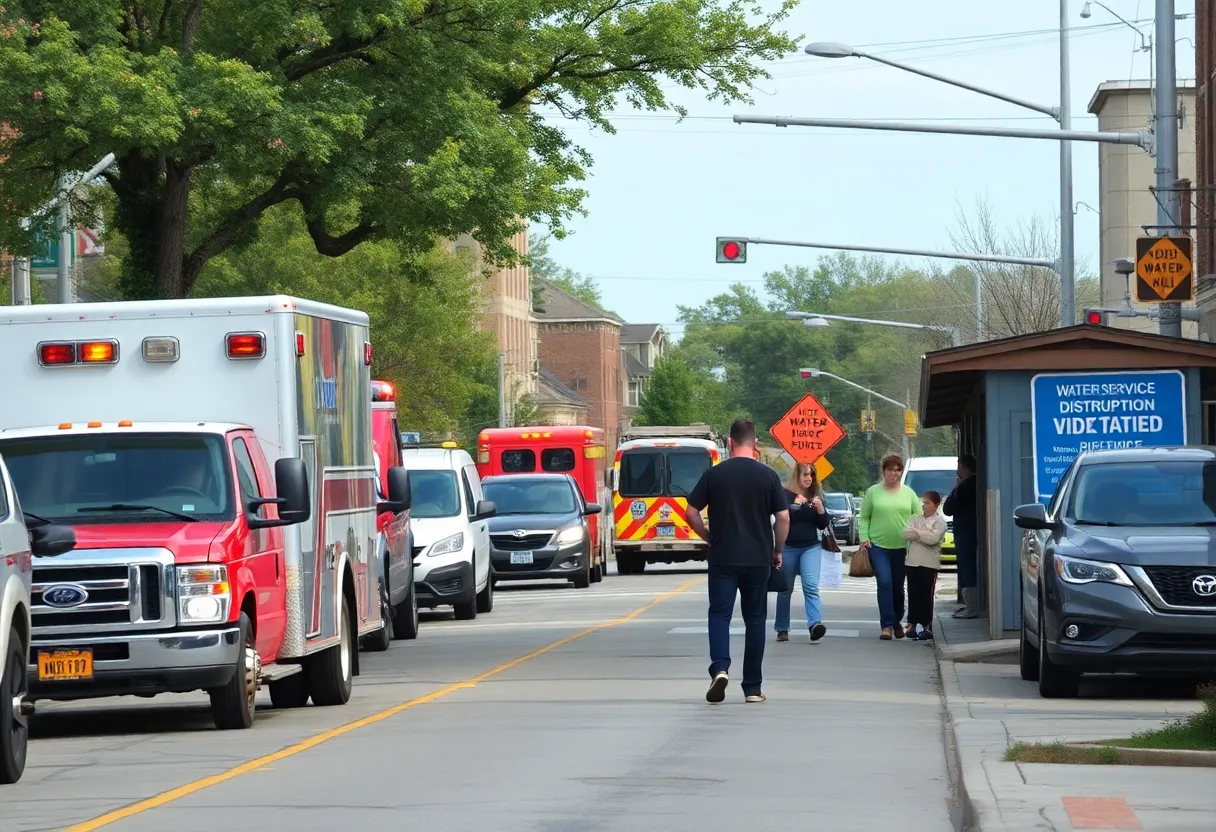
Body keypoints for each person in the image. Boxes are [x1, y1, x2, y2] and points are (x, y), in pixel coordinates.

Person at [686, 418, 789, 704]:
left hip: (723, 556)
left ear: (729, 443)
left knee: (719, 614)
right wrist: (777, 550)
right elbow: (783, 517)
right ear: (755, 444)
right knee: (755, 620)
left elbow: (691, 511)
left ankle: (720, 668)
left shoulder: (714, 475)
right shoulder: (768, 476)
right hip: (758, 559)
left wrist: (707, 536)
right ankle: (753, 688)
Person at [857, 454, 920, 640]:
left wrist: (917, 535)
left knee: (898, 587)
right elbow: (864, 517)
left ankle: (896, 620)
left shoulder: (909, 493)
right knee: (884, 582)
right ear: (883, 471)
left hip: (902, 547)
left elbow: (917, 517)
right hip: (878, 546)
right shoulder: (873, 492)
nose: (894, 474)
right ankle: (886, 625)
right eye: (890, 470)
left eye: (897, 470)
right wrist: (864, 537)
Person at [774, 462, 831, 643]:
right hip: (788, 547)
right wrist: (794, 506)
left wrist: (821, 510)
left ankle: (815, 624)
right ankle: (782, 628)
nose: (809, 479)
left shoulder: (815, 496)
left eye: (811, 475)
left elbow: (822, 524)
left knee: (811, 587)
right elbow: (779, 519)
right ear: (797, 476)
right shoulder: (785, 495)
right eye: (805, 475)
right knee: (785, 589)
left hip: (810, 547)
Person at [903, 490, 947, 641]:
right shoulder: (915, 518)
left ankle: (926, 626)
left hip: (929, 563)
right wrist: (923, 532)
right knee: (913, 593)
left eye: (927, 503)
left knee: (926, 594)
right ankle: (911, 624)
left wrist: (917, 533)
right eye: (923, 502)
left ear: (936, 505)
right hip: (912, 561)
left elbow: (933, 539)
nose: (924, 505)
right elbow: (906, 533)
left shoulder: (939, 521)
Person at [944, 454, 979, 619]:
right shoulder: (977, 483)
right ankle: (970, 605)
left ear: (964, 467)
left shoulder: (965, 487)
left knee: (966, 568)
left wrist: (955, 488)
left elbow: (948, 508)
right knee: (970, 566)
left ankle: (971, 606)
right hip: (972, 530)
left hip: (965, 531)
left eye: (959, 466)